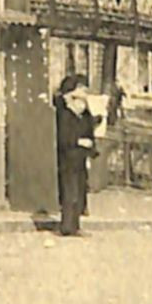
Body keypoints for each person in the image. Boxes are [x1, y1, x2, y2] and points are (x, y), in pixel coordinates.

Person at [54, 74, 98, 236]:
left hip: (81, 157)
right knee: (70, 191)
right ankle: (66, 226)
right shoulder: (65, 112)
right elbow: (63, 137)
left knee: (80, 192)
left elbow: (90, 132)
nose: (83, 98)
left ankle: (75, 225)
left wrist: (91, 149)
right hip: (69, 156)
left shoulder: (84, 114)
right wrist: (79, 142)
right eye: (81, 92)